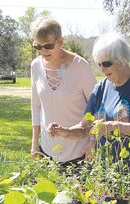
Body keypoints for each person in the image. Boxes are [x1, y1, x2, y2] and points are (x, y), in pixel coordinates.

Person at [48, 32, 130, 163]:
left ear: (121, 59)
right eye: (99, 64)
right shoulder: (100, 88)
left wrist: (114, 126)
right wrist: (64, 131)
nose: (102, 69)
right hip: (106, 171)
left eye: (106, 64)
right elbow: (85, 128)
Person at [30, 17, 96, 165]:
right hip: (46, 151)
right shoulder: (35, 66)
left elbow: (96, 107)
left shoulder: (80, 66)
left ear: (60, 42)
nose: (43, 51)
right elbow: (36, 106)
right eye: (38, 46)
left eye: (48, 46)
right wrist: (35, 142)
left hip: (78, 152)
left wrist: (93, 142)